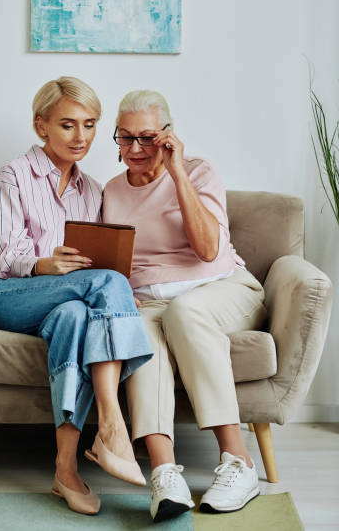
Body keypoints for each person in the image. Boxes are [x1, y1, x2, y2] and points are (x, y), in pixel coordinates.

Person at [0, 77, 153, 516]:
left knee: (77, 314)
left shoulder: (92, 191)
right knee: (110, 286)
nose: (81, 137)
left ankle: (65, 469)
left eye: (90, 125)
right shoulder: (11, 177)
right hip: (8, 293)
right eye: (68, 125)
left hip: (65, 301)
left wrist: (115, 295)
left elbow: (94, 262)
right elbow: (4, 256)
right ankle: (112, 426)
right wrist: (43, 264)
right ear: (42, 126)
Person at [102, 90, 267, 523]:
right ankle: (164, 473)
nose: (135, 149)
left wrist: (177, 173)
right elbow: (111, 258)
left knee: (184, 312)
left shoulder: (198, 172)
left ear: (169, 137)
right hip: (152, 301)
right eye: (124, 138)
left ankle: (239, 462)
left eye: (147, 137)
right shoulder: (111, 191)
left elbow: (210, 249)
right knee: (138, 330)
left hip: (220, 289)